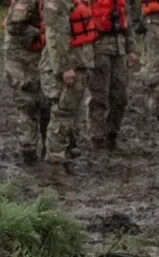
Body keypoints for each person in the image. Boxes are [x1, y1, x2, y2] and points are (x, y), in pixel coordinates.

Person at [41, 0, 97, 173]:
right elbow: (56, 35)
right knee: (62, 114)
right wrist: (65, 67)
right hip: (68, 66)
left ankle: (63, 157)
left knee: (72, 114)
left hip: (79, 63)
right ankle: (55, 162)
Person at [3, 0, 50, 164]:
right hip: (21, 58)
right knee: (28, 102)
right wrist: (42, 32)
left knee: (48, 101)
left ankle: (48, 147)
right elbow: (15, 28)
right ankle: (28, 149)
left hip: (42, 55)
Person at [88, 0, 137, 151]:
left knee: (120, 96)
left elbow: (127, 19)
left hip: (119, 48)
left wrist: (131, 49)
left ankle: (112, 134)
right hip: (98, 47)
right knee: (99, 96)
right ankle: (97, 138)